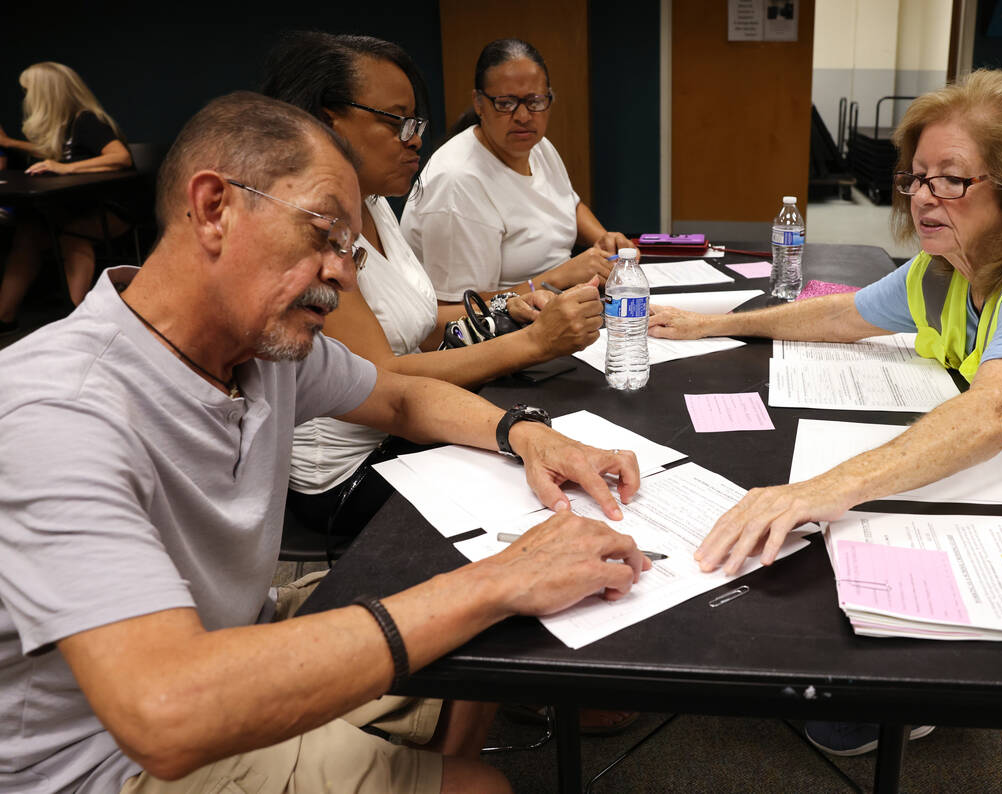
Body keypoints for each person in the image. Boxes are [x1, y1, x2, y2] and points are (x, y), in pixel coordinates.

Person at [0, 91, 650, 794]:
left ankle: (438, 762)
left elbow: (399, 396)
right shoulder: (55, 410)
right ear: (215, 208)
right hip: (107, 759)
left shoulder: (260, 346)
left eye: (349, 247)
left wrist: (525, 436)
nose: (342, 272)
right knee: (487, 722)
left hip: (233, 634)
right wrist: (496, 582)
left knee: (494, 628)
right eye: (324, 233)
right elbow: (165, 713)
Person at [648, 69, 1002, 754]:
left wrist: (818, 491)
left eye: (951, 180)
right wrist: (713, 325)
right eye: (918, 178)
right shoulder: (950, 266)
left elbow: (992, 417)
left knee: (841, 528)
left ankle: (907, 697)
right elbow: (844, 313)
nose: (925, 198)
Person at [260, 31, 604, 541]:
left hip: (406, 426)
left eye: (415, 121)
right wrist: (532, 343)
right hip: (349, 472)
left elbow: (419, 325)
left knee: (561, 463)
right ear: (327, 121)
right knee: (549, 505)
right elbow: (386, 379)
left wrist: (512, 305)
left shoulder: (375, 205)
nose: (415, 137)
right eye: (398, 121)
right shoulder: (310, 234)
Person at [400, 37, 635, 304]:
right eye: (505, 103)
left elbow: (568, 204)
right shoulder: (457, 183)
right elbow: (457, 311)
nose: (523, 116)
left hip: (557, 303)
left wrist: (604, 239)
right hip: (495, 330)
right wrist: (560, 277)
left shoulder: (538, 147)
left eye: (534, 101)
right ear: (479, 103)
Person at [0, 62, 133, 331]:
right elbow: (52, 150)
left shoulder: (86, 120)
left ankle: (73, 323)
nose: (27, 99)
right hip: (74, 208)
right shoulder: (65, 126)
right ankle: (4, 318)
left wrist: (64, 167)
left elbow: (121, 157)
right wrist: (10, 144)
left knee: (73, 236)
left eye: (30, 91)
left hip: (110, 210)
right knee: (28, 234)